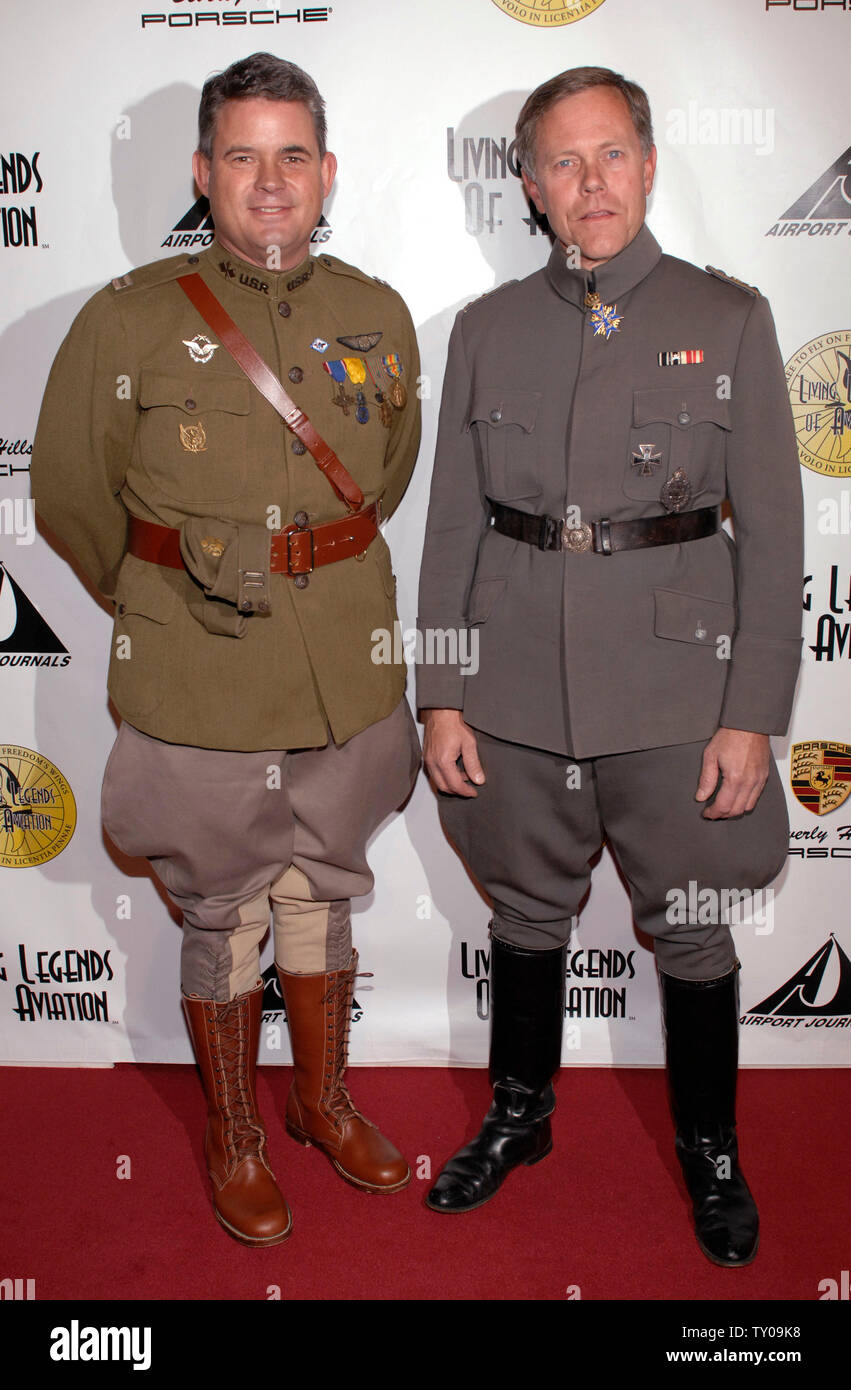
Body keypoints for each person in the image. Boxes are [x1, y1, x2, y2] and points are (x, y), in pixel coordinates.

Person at [31, 52, 421, 1247]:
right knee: (222, 908)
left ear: (326, 173)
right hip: (196, 669)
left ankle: (316, 1098)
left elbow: (388, 474)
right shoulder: (128, 318)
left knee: (323, 892)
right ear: (203, 174)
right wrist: (165, 601)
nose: (268, 183)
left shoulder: (376, 311)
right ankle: (233, 1129)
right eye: (241, 157)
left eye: (291, 155)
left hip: (342, 670)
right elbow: (70, 500)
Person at [417, 67, 802, 1267]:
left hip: (676, 689)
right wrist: (438, 689)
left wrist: (752, 714)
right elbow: (446, 530)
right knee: (526, 914)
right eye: (563, 162)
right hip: (518, 679)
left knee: (689, 930)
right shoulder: (483, 333)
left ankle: (710, 1152)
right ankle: (519, 1115)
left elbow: (776, 534)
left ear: (647, 159)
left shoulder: (727, 317)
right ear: (527, 183)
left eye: (611, 154)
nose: (591, 183)